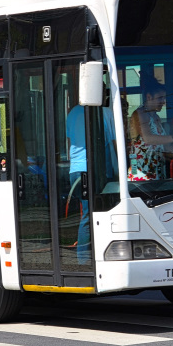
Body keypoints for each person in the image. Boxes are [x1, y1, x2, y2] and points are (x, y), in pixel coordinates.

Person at [66, 104, 117, 264]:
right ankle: (84, 260)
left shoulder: (72, 112)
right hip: (95, 170)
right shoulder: (105, 112)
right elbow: (114, 144)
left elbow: (69, 142)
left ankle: (91, 254)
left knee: (87, 213)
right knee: (95, 214)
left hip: (75, 171)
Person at [128, 77, 173, 181]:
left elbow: (164, 145)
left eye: (164, 98)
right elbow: (148, 139)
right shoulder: (139, 114)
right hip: (141, 170)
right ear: (149, 97)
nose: (163, 102)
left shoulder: (156, 117)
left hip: (156, 168)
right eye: (160, 98)